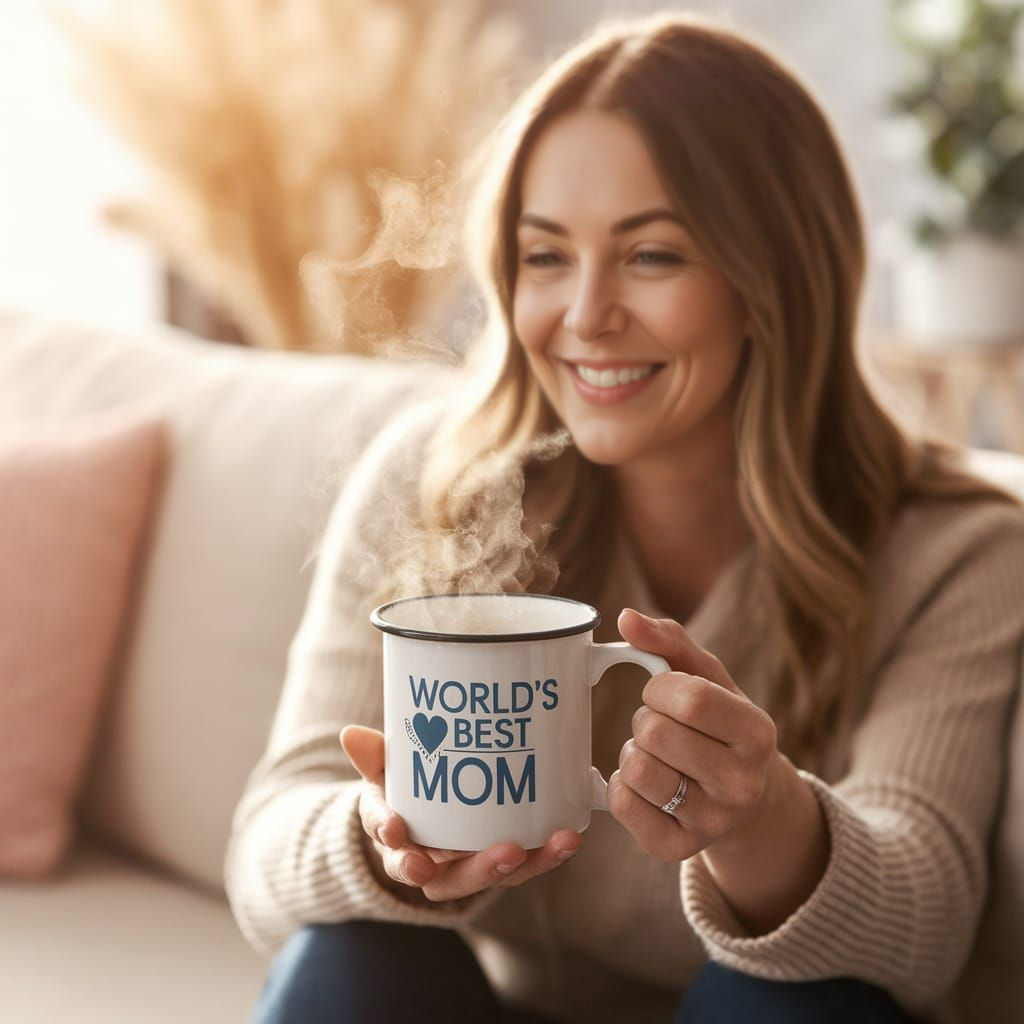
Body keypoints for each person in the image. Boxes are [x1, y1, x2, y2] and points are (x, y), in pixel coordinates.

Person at [224, 11, 1024, 1024]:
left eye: (651, 256)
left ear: (769, 277)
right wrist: (378, 843)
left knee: (798, 1005)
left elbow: (927, 921)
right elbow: (265, 844)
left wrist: (766, 821)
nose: (586, 313)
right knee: (343, 962)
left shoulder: (956, 548)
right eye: (546, 257)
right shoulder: (438, 484)